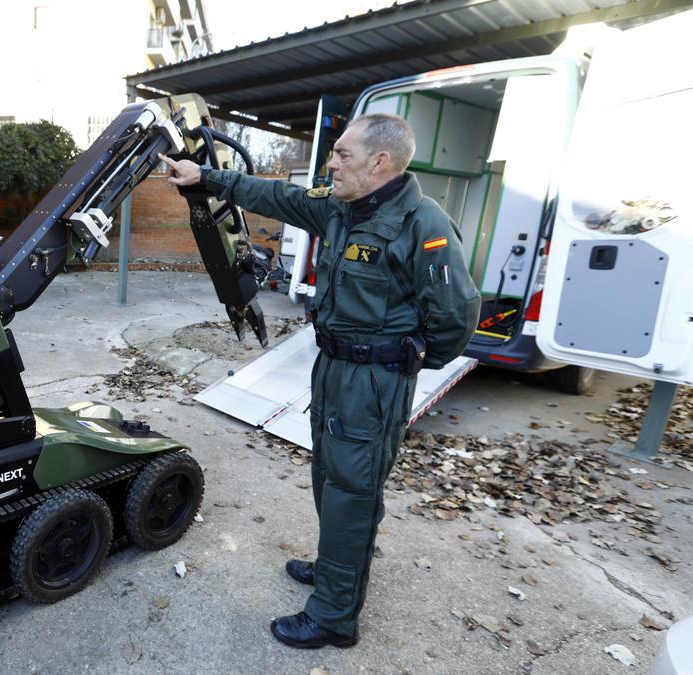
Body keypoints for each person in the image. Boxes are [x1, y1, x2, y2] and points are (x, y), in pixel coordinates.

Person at [160, 114, 480, 649]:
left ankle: (334, 615)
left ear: (380, 163)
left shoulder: (423, 224)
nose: (332, 162)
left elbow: (457, 316)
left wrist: (403, 360)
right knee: (330, 480)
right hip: (332, 368)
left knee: (353, 490)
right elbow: (274, 194)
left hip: (373, 380)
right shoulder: (337, 206)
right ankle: (338, 569)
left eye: (343, 155)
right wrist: (205, 177)